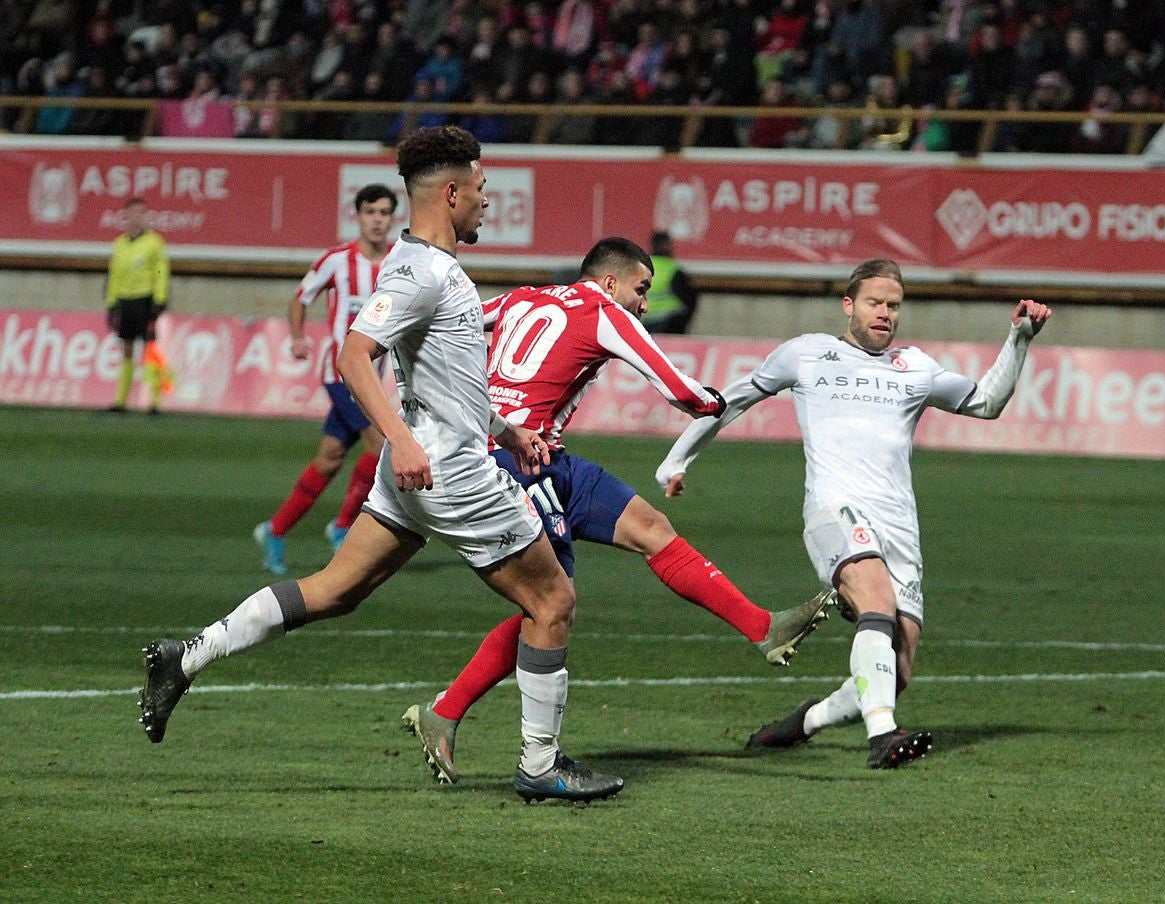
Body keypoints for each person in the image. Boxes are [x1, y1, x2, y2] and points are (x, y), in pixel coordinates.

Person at [139, 125, 624, 804]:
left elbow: (439, 380)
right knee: (553, 600)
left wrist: (503, 428)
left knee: (336, 590)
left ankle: (185, 657)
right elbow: (352, 354)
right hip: (448, 471)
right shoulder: (427, 272)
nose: (487, 201)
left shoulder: (413, 262)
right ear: (451, 193)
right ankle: (540, 766)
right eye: (481, 189)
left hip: (430, 463)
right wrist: (398, 438)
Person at [401, 237, 832, 783]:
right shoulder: (602, 309)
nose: (645, 303)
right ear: (609, 282)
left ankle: (763, 627)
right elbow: (679, 390)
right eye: (642, 289)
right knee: (549, 606)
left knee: (651, 529)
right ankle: (462, 721)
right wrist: (721, 404)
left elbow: (456, 332)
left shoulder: (522, 298)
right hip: (517, 465)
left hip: (539, 455)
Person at [656, 259, 1052, 769]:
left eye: (893, 305)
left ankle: (805, 722)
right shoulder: (806, 354)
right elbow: (731, 402)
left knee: (897, 668)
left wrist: (1019, 338)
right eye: (874, 303)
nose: (885, 314)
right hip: (833, 509)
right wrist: (677, 459)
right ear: (849, 305)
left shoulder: (915, 368)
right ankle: (883, 736)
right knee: (876, 601)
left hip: (899, 528)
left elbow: (986, 403)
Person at [253, 183, 398, 575]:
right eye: (370, 212)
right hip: (341, 375)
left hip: (373, 377)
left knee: (330, 459)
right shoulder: (336, 261)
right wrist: (299, 338)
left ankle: (275, 529)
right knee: (383, 447)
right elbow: (300, 298)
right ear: (358, 216)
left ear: (393, 218)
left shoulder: (399, 265)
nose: (377, 220)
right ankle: (342, 526)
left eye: (384, 212)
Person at [104, 197, 169, 413]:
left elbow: (161, 271)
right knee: (127, 348)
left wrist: (160, 298)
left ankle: (155, 402)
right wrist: (112, 303)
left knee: (150, 348)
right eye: (132, 214)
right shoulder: (119, 244)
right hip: (125, 300)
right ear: (125, 216)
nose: (137, 218)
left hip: (145, 299)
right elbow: (114, 275)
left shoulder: (154, 242)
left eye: (141, 214)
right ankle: (121, 401)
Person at [638, 231, 699, 335]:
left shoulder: (641, 268)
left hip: (643, 321)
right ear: (668, 246)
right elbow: (690, 300)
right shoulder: (672, 269)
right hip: (668, 323)